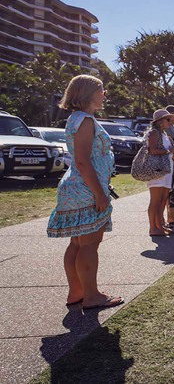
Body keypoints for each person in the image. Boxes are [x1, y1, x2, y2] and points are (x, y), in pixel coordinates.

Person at [47, 75, 123, 310]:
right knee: (89, 244)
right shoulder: (86, 120)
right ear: (88, 93)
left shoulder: (77, 118)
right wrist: (100, 194)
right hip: (86, 189)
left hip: (78, 188)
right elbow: (82, 161)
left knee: (78, 244)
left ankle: (76, 292)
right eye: (101, 90)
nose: (104, 95)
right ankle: (91, 296)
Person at [145, 109, 174, 237]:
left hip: (166, 169)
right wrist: (167, 151)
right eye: (167, 119)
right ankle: (153, 228)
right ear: (159, 121)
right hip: (157, 170)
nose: (170, 122)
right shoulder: (154, 133)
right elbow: (153, 150)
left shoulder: (165, 135)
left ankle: (159, 225)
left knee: (163, 199)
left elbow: (169, 151)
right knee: (155, 200)